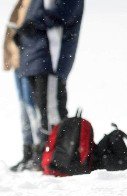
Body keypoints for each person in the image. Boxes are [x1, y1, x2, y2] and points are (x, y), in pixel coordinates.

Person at [14, 0, 84, 170]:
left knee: (51, 112)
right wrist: (23, 31)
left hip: (50, 59)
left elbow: (61, 14)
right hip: (34, 58)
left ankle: (58, 157)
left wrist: (31, 24)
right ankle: (42, 156)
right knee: (40, 111)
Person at [3, 0, 41, 171]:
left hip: (30, 60)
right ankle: (28, 153)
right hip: (18, 59)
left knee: (33, 109)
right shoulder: (23, 3)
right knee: (24, 110)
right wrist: (7, 54)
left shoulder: (36, 3)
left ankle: (37, 154)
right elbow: (11, 28)